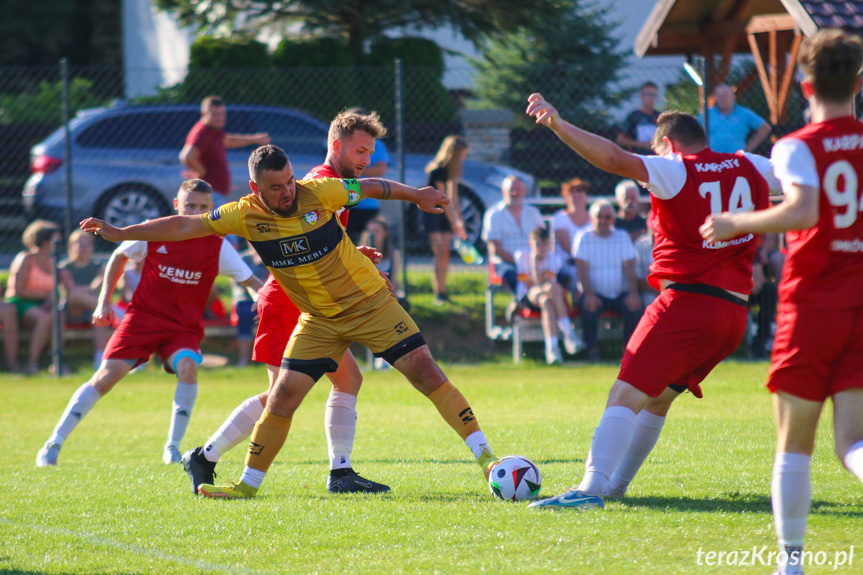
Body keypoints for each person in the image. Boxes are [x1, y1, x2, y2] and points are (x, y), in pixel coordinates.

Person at [82, 144, 500, 500]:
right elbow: (184, 224)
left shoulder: (320, 191)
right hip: (318, 320)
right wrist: (122, 232)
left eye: (288, 182)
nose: (286, 193)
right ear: (254, 189)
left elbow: (373, 185)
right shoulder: (242, 215)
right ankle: (246, 486)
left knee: (426, 374)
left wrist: (417, 195)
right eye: (275, 188)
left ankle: (487, 460)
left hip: (371, 304)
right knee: (281, 398)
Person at [524, 93, 770, 510]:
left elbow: (615, 159)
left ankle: (589, 490)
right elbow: (810, 181)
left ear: (669, 145)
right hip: (733, 313)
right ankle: (616, 486)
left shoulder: (675, 169)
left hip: (688, 303)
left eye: (656, 151)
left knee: (622, 397)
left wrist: (558, 124)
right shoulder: (752, 164)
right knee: (657, 400)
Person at [699, 29, 863, 575]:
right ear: (858, 82)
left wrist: (734, 222)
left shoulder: (796, 146)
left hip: (812, 304)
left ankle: (790, 566)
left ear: (805, 82)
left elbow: (805, 210)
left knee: (794, 445)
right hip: (860, 305)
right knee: (853, 443)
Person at [180, 110, 394, 495]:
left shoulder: (331, 183)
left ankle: (341, 473)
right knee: (280, 397)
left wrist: (357, 258)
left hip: (310, 303)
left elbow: (321, 246)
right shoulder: (321, 183)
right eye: (360, 151)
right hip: (287, 302)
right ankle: (205, 455)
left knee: (347, 378)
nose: (366, 160)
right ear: (337, 147)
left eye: (369, 152)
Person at [36, 179, 263, 468]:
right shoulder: (155, 230)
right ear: (176, 205)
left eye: (203, 207)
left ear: (211, 210)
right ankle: (52, 444)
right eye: (190, 205)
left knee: (188, 366)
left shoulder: (217, 246)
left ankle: (172, 447)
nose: (195, 212)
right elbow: (119, 256)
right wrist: (104, 300)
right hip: (142, 320)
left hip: (182, 328)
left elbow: (252, 282)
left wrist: (263, 299)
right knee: (106, 377)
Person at [572, 199, 642, 360]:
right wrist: (589, 294)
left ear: (613, 218)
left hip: (619, 294)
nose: (603, 220)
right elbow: (581, 269)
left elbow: (630, 268)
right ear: (591, 217)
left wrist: (633, 293)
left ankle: (629, 354)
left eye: (607, 216)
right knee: (587, 307)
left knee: (635, 307)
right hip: (594, 294)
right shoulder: (583, 237)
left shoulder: (622, 236)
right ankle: (592, 352)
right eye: (599, 216)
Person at [180, 95, 270, 207]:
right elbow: (187, 156)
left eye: (222, 114)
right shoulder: (202, 133)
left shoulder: (214, 131)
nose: (220, 118)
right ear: (204, 114)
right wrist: (202, 173)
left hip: (216, 192)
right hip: (209, 193)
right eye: (215, 114)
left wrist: (255, 139)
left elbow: (228, 141)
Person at [514, 226, 584, 364]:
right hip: (527, 297)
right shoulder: (521, 257)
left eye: (544, 244)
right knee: (554, 288)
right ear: (530, 244)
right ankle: (568, 332)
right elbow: (531, 285)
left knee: (546, 301)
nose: (541, 247)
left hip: (545, 296)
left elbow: (543, 285)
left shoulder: (554, 260)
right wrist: (534, 263)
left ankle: (552, 349)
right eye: (537, 244)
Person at [5, 219, 61, 375]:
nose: (59, 241)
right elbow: (18, 290)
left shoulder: (54, 260)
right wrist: (44, 296)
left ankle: (57, 363)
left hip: (42, 305)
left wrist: (50, 300)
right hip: (19, 304)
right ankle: (32, 364)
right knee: (44, 318)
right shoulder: (26, 258)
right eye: (55, 238)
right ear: (44, 241)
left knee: (58, 315)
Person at [424, 135, 470, 305]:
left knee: (445, 253)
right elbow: (444, 200)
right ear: (454, 153)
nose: (464, 158)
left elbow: (454, 198)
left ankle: (444, 291)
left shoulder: (453, 170)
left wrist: (461, 222)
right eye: (462, 154)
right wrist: (455, 223)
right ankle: (438, 293)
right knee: (439, 251)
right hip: (432, 212)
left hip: (445, 213)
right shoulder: (437, 170)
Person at [481, 176, 545, 296]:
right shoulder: (494, 215)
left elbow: (543, 240)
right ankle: (526, 304)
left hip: (535, 261)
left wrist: (534, 261)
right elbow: (496, 250)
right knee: (517, 277)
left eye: (519, 189)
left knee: (559, 276)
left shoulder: (533, 213)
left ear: (525, 191)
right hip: (506, 264)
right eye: (512, 189)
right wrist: (523, 264)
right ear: (503, 192)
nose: (515, 192)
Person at [59, 229, 110, 370]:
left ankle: (99, 359)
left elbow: (99, 284)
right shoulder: (65, 267)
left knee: (98, 317)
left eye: (86, 244)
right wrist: (89, 290)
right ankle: (115, 312)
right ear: (71, 247)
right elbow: (72, 290)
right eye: (79, 244)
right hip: (71, 311)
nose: (82, 248)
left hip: (92, 310)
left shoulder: (98, 266)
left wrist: (86, 290)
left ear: (92, 247)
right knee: (76, 297)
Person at [344, 107, 390, 243]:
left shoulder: (377, 144)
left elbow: (381, 169)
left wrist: (356, 169)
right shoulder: (343, 144)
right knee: (347, 244)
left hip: (369, 205)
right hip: (347, 203)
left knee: (373, 244)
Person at [551, 178, 593, 294]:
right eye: (573, 195)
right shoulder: (560, 218)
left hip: (592, 264)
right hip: (567, 266)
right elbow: (567, 247)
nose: (577, 198)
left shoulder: (593, 218)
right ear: (566, 199)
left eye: (581, 194)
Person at [703, 84, 772, 154]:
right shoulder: (707, 114)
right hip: (711, 159)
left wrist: (749, 148)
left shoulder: (744, 113)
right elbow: (695, 132)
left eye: (725, 95)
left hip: (735, 159)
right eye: (719, 96)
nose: (722, 99)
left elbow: (765, 128)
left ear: (733, 97)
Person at [231, 247, 268, 367]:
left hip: (267, 299)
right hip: (245, 300)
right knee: (246, 314)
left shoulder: (269, 257)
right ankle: (243, 360)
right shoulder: (243, 259)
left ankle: (270, 359)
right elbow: (238, 282)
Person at [616, 81, 660, 154]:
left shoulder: (660, 117)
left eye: (653, 95)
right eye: (648, 94)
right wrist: (642, 145)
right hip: (638, 157)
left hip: (657, 157)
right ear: (641, 96)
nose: (651, 98)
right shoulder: (634, 116)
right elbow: (621, 140)